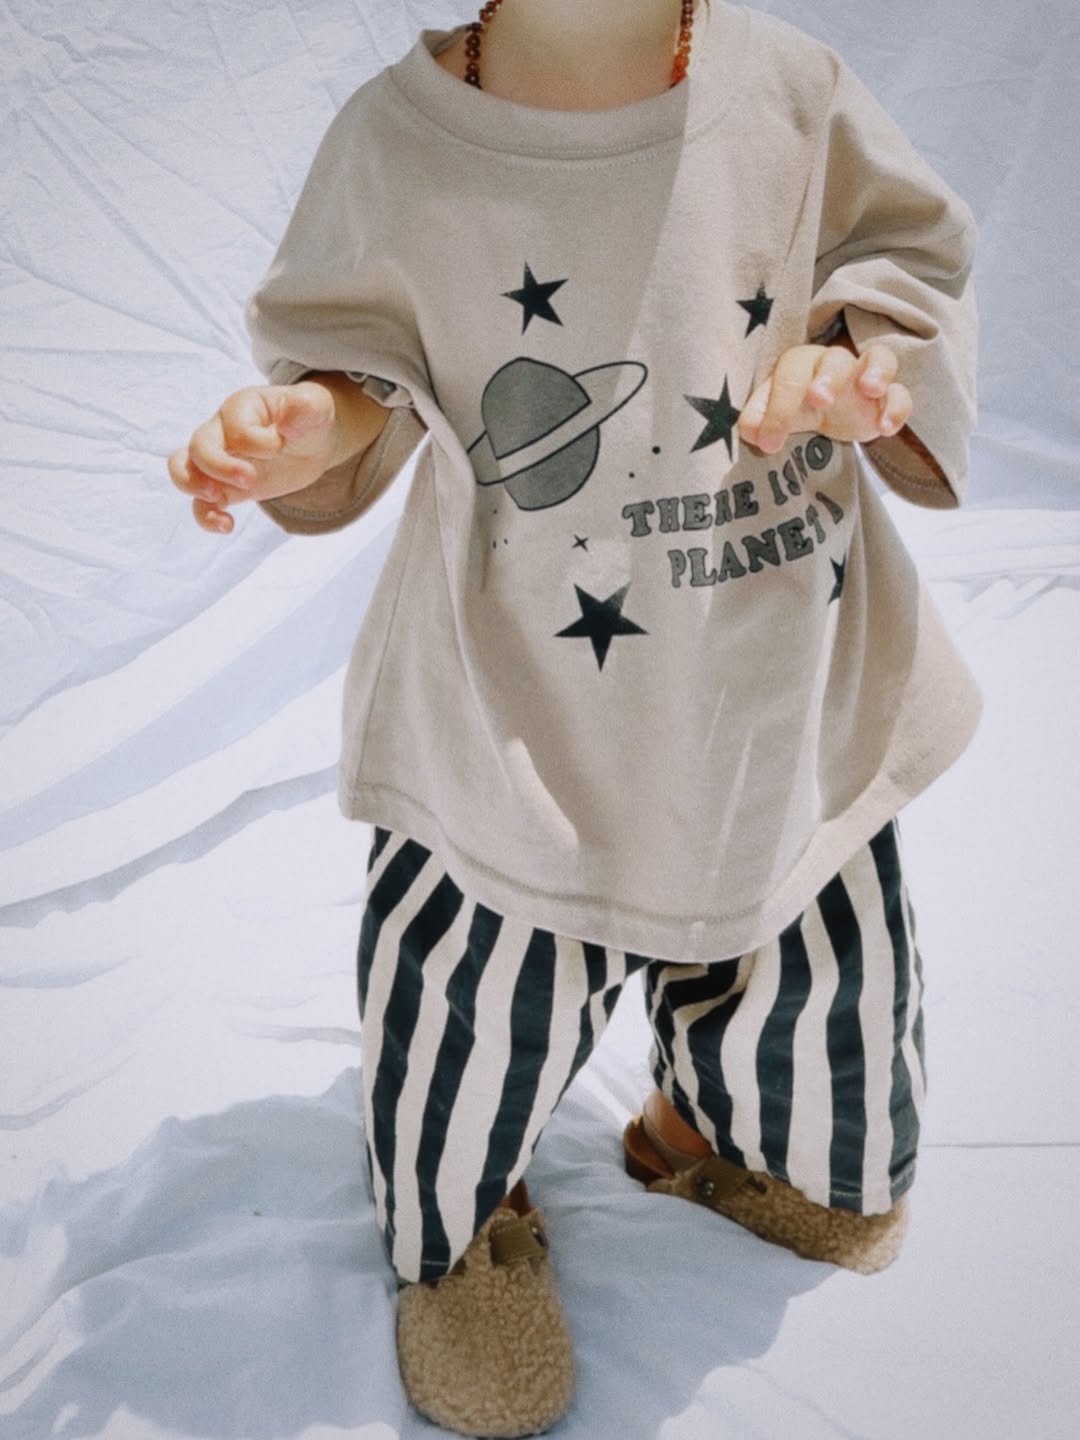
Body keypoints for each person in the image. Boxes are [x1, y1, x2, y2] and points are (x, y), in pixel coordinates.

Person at [169, 1, 979, 1434]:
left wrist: (858, 365)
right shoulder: (398, 142)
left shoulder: (794, 89)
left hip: (780, 686)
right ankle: (465, 1221)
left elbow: (905, 258)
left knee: (830, 1022)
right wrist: (308, 427)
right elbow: (356, 361)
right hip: (521, 715)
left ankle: (728, 1134)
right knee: (471, 1000)